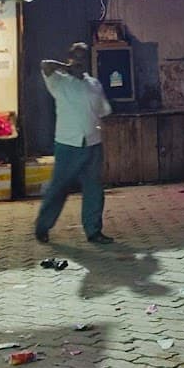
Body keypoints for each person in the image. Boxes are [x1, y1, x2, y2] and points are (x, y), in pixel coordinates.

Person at [35, 42, 114, 245]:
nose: (79, 61)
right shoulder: (59, 81)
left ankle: (94, 231)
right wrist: (66, 67)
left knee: (94, 189)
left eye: (83, 57)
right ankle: (43, 227)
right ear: (69, 58)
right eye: (76, 57)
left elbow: (105, 110)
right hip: (68, 144)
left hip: (92, 143)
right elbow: (45, 65)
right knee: (59, 188)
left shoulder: (94, 84)